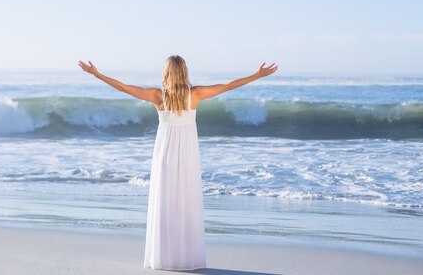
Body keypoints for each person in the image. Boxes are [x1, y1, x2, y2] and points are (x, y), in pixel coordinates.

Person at [78, 56, 278, 270]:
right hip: (189, 155)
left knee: (165, 202)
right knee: (186, 202)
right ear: (184, 72)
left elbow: (124, 88)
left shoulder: (157, 96)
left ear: (166, 72)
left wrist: (97, 74)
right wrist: (257, 75)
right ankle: (186, 257)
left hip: (164, 154)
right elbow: (228, 86)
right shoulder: (196, 95)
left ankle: (164, 257)